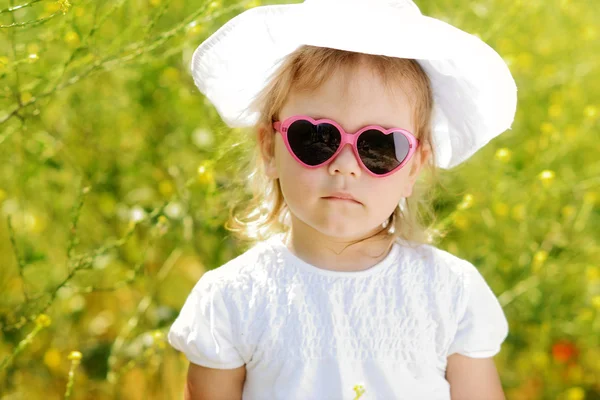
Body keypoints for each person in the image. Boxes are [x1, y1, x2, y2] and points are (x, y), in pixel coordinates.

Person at [168, 0, 517, 399]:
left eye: (380, 146)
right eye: (317, 137)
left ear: (415, 166)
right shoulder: (231, 298)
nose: (345, 166)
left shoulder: (451, 293)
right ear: (269, 150)